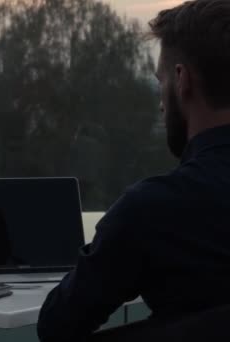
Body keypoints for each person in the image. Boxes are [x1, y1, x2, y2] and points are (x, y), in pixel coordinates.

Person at [37, 0, 230, 341]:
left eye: (160, 81)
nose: (160, 102)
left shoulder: (154, 208)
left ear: (182, 80)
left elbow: (57, 324)